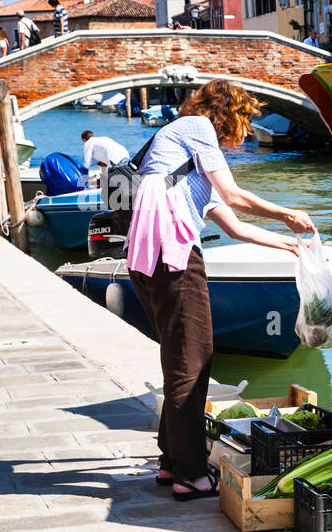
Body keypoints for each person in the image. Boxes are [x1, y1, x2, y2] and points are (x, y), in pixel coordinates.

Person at [125, 79, 316, 501]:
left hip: (148, 257)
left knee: (183, 357)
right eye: (243, 121)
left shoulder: (186, 167)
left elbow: (236, 226)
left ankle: (170, 462)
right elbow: (235, 194)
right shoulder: (196, 126)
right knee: (192, 363)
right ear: (228, 113)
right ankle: (191, 474)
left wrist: (295, 246)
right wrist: (288, 213)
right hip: (172, 254)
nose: (240, 134)